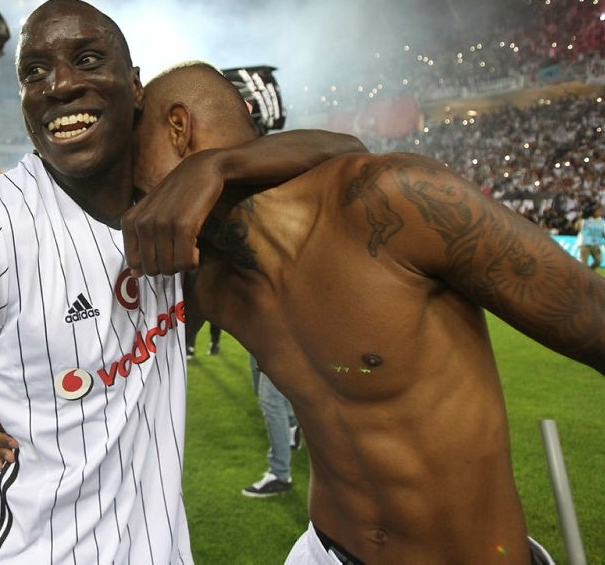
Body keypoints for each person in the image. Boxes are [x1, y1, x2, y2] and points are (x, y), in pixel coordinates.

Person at [0, 0, 364, 564]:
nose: (59, 85)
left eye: (86, 59)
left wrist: (216, 165)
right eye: (34, 72)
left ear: (134, 87)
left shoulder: (176, 219)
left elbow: (345, 153)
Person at [119, 61, 605, 563]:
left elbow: (593, 318)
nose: (129, 198)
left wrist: (216, 166)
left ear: (180, 128)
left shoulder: (393, 202)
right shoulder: (209, 282)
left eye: (133, 167)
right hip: (325, 550)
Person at [241, 355, 297, 498]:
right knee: (260, 385)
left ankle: (280, 475)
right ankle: (292, 426)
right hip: (264, 335)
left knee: (271, 399)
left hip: (286, 338)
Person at [576, 202, 604, 269]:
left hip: (595, 244)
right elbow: (577, 227)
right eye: (598, 211)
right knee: (583, 264)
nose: (600, 212)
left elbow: (603, 233)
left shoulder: (602, 222)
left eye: (601, 211)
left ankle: (589, 273)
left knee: (598, 261)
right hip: (584, 244)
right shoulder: (586, 220)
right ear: (593, 211)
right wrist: (580, 218)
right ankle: (584, 276)